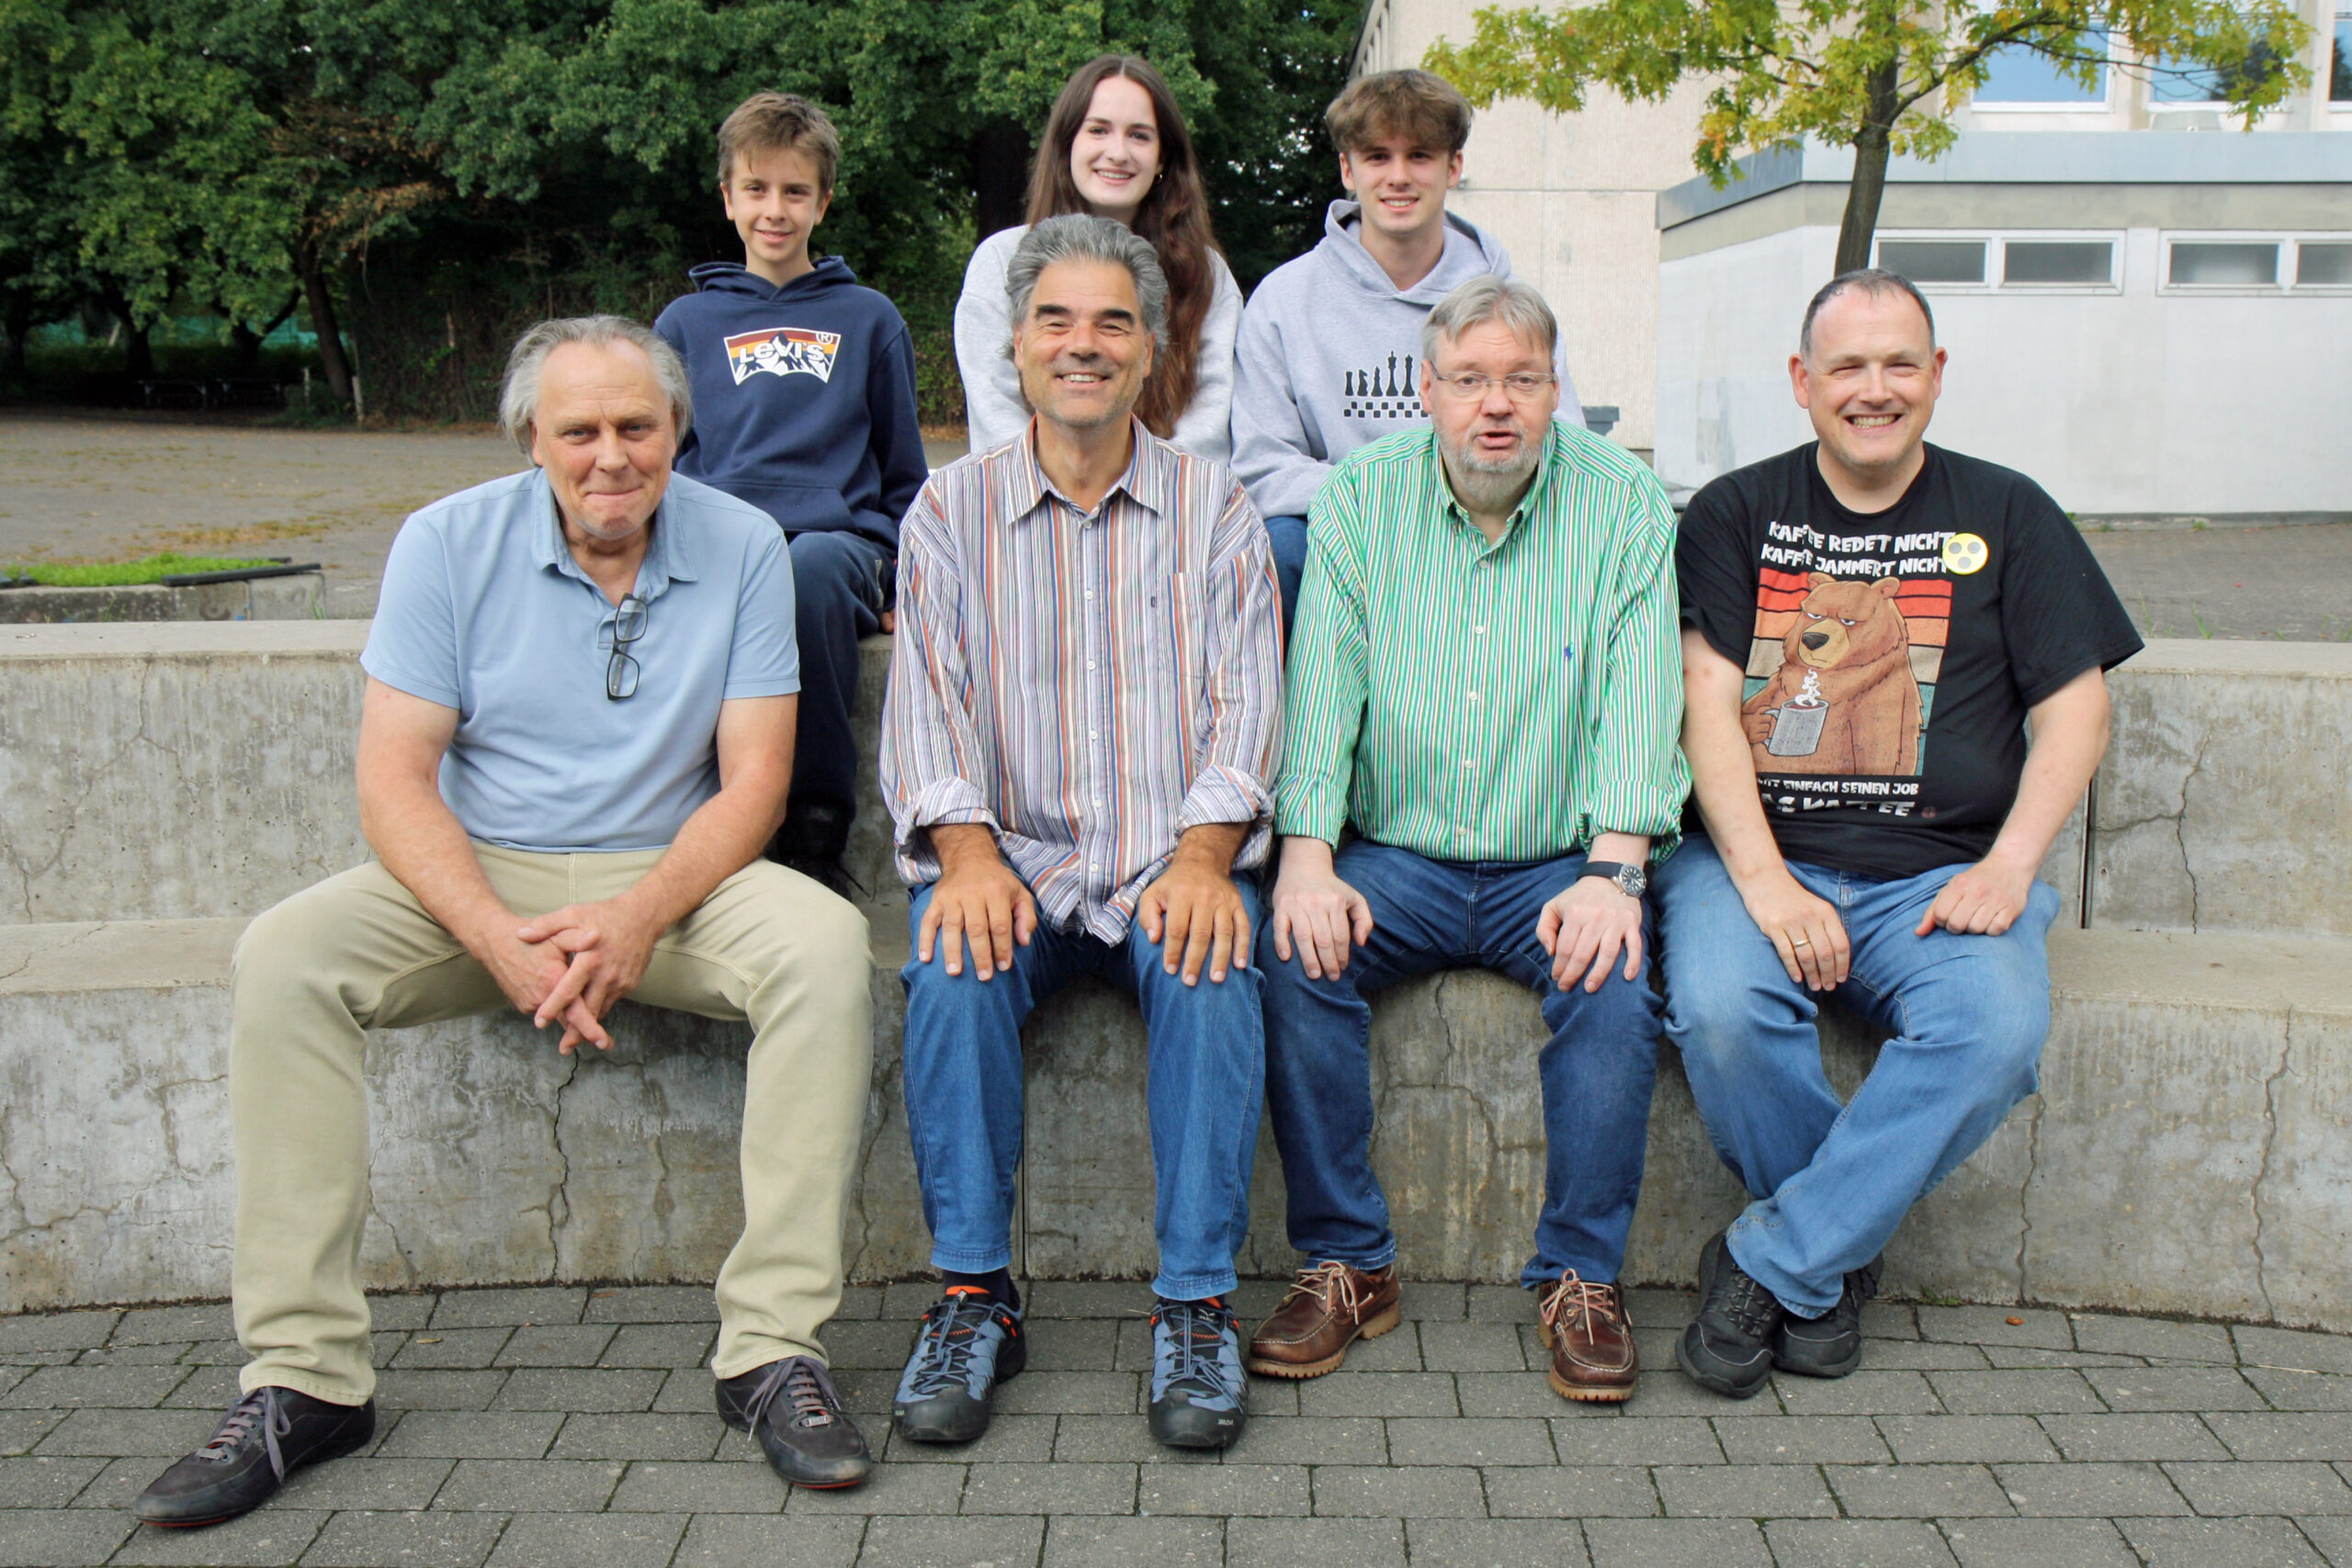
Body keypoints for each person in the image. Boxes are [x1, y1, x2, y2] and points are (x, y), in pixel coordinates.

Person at [130, 317, 879, 1529]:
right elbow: (394, 778)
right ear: (531, 438)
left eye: (637, 426)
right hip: (481, 877)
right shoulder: (444, 541)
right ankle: (304, 1376)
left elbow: (755, 782)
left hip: (671, 878)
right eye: (578, 431)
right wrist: (489, 932)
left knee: (826, 946)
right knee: (285, 958)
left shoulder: (746, 542)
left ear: (679, 432)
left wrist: (636, 917)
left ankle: (771, 1350)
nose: (611, 456)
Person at [1657, 269, 2142, 1399]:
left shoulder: (2007, 511)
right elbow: (1705, 702)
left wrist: (2011, 866)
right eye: (1846, 366)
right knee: (1723, 1012)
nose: (1872, 389)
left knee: (1993, 1029)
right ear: (1802, 381)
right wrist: (1766, 883)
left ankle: (1772, 1262)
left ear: (1935, 375)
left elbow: (2076, 705)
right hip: (1754, 862)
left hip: (1941, 876)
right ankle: (1825, 1272)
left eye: (1897, 364)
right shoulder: (1732, 511)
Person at [882, 216, 1282, 1452]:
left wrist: (1207, 856)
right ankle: (973, 1298)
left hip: (1169, 859)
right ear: (1015, 344)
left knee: (1215, 965)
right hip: (1011, 859)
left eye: (1114, 320)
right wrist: (964, 851)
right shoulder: (947, 513)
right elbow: (925, 711)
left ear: (1152, 348)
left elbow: (1247, 708)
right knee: (950, 966)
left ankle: (1196, 1305)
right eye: (1055, 318)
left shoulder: (1217, 511)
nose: (1083, 343)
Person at [1249, 276, 1685, 1405]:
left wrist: (1614, 871)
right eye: (1471, 380)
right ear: (1426, 389)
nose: (1497, 405)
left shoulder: (1626, 503)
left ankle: (1581, 1277)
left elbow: (1642, 701)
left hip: (1559, 862)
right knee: (1293, 952)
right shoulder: (1361, 497)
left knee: (1614, 980)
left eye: (1522, 380)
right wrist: (1305, 856)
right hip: (1400, 858)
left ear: (1553, 389)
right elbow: (1324, 686)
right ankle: (1349, 1262)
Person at [655, 91, 928, 893]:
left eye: (795, 191)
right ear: (728, 198)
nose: (775, 209)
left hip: (838, 550)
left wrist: (908, 578)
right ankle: (703, 829)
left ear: (823, 202)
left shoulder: (869, 318)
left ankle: (813, 831)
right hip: (725, 539)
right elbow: (667, 464)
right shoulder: (684, 325)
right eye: (757, 189)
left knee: (804, 569)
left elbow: (905, 473)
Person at [1231, 68, 1585, 628]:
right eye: (1378, 157)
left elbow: (1566, 440)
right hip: (1346, 533)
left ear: (1453, 166)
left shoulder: (1510, 305)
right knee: (1280, 544)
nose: (1399, 177)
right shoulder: (1283, 299)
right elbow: (1263, 465)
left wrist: (1456, 507)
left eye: (1419, 156)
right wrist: (1392, 500)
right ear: (1348, 170)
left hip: (1483, 524)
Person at [955, 55, 1241, 463]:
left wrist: (1146, 490)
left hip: (1174, 497)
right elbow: (995, 419)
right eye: (1098, 130)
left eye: (1139, 135)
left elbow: (1210, 420)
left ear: (1162, 158)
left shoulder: (1206, 274)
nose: (1118, 152)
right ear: (1067, 142)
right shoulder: (999, 261)